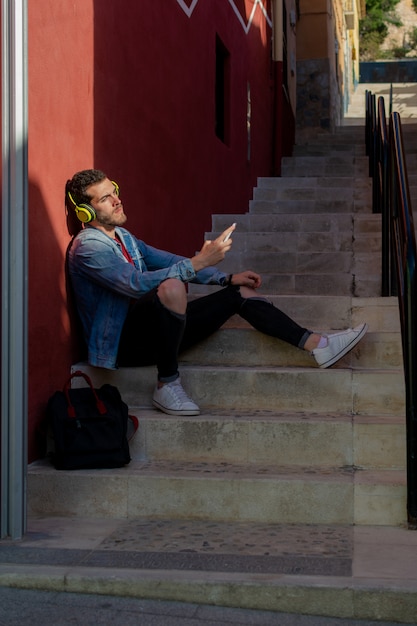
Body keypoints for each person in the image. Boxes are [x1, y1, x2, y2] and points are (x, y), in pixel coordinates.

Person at [66, 169, 367, 416]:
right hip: (121, 345)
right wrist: (198, 262)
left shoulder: (124, 237)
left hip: (156, 332)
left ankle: (317, 344)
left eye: (114, 191)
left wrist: (226, 278)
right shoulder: (89, 248)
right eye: (105, 198)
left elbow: (168, 260)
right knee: (171, 286)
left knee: (238, 292)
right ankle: (166, 384)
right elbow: (134, 283)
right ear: (84, 210)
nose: (117, 200)